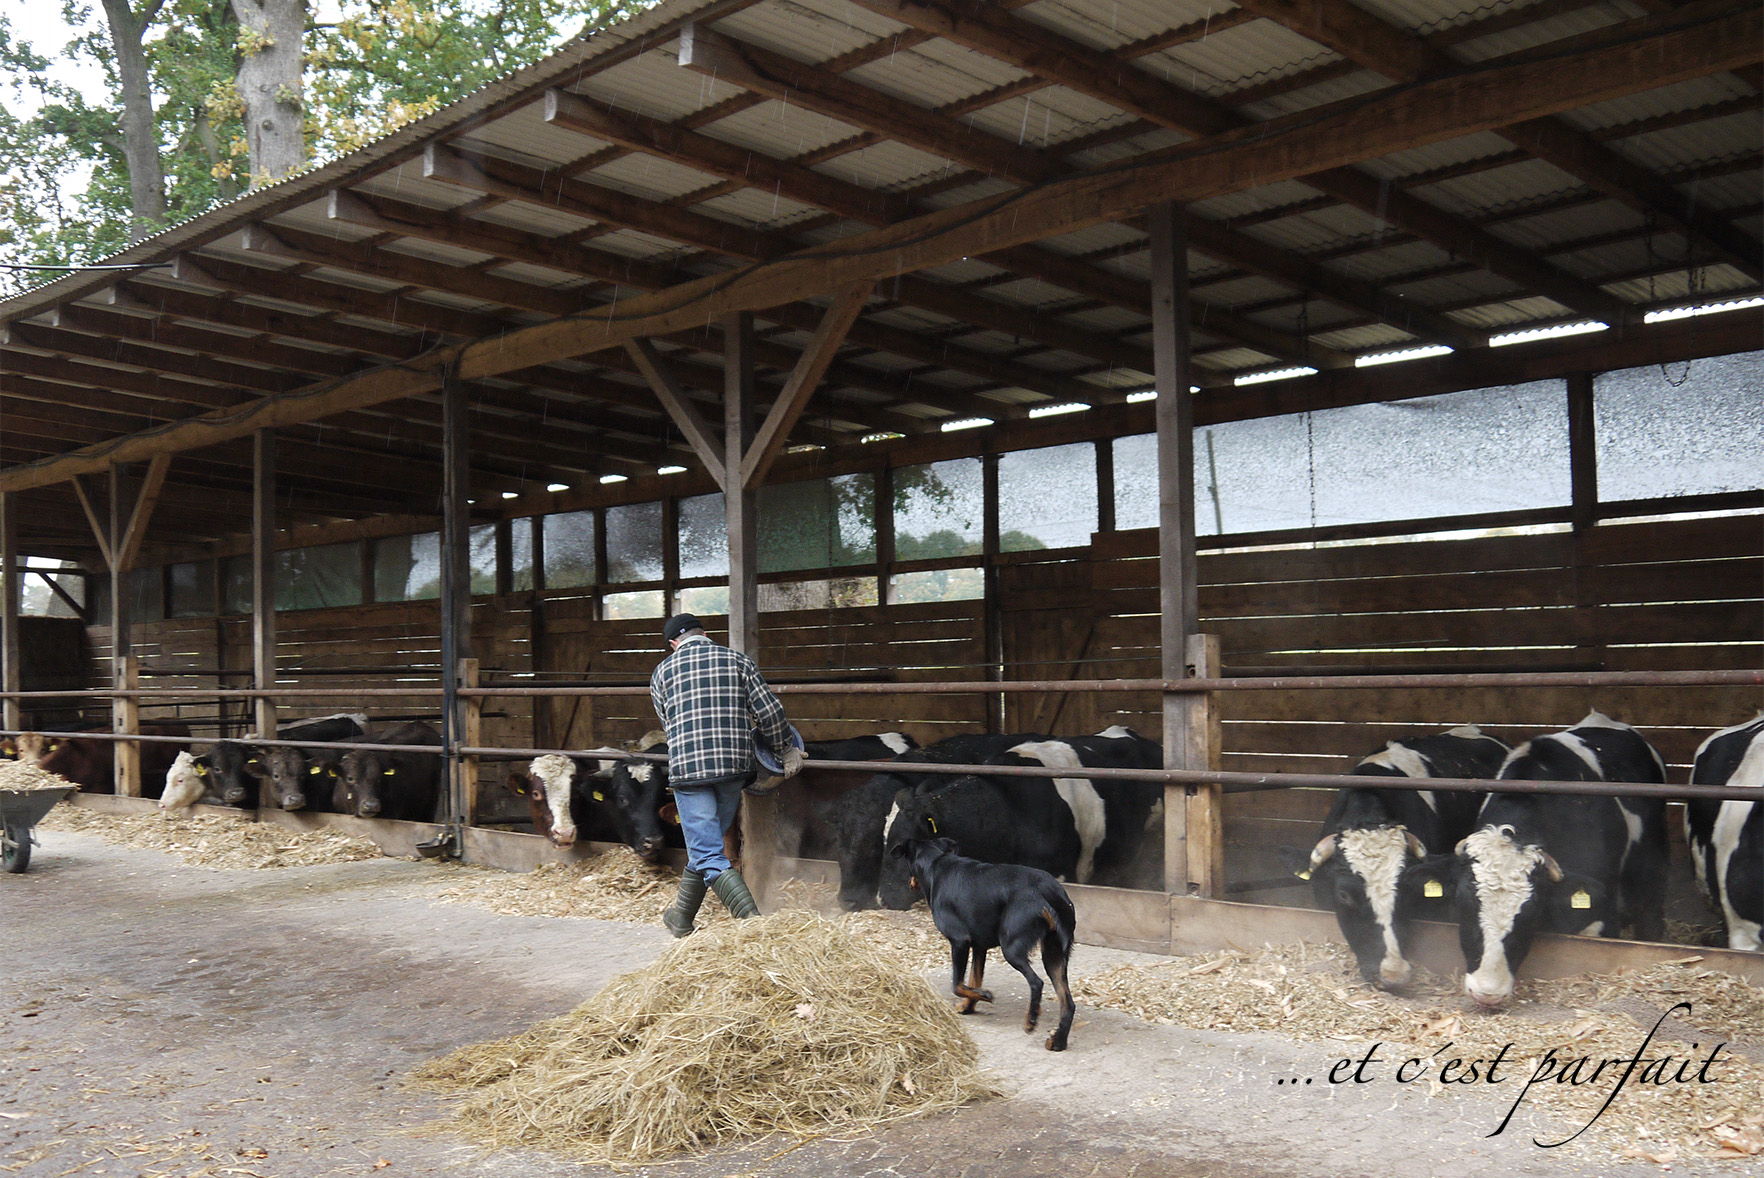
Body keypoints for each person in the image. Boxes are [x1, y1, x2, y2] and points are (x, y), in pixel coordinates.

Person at [650, 613, 805, 936]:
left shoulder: (662, 672)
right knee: (706, 848)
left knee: (706, 852)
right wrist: (784, 749)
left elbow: (669, 725)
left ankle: (753, 926)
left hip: (690, 773)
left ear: (673, 644)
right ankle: (680, 917)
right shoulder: (738, 661)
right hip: (733, 769)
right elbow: (770, 712)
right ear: (704, 634)